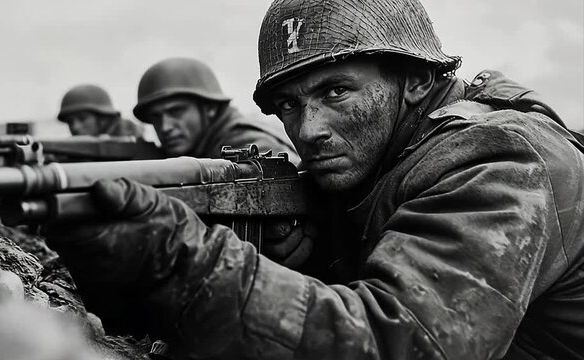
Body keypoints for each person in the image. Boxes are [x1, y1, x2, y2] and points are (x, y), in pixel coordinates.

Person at [43, 0, 584, 359]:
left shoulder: (505, 161)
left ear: (417, 79)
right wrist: (316, 256)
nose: (308, 129)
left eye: (335, 92)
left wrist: (190, 261)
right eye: (288, 105)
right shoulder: (384, 160)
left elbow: (404, 342)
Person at [133, 57, 299, 162]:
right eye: (155, 117)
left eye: (176, 112)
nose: (165, 127)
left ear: (210, 108)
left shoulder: (244, 142)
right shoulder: (201, 148)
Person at [58, 84, 144, 137]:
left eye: (82, 118)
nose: (75, 127)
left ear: (103, 119)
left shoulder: (138, 150)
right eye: (70, 122)